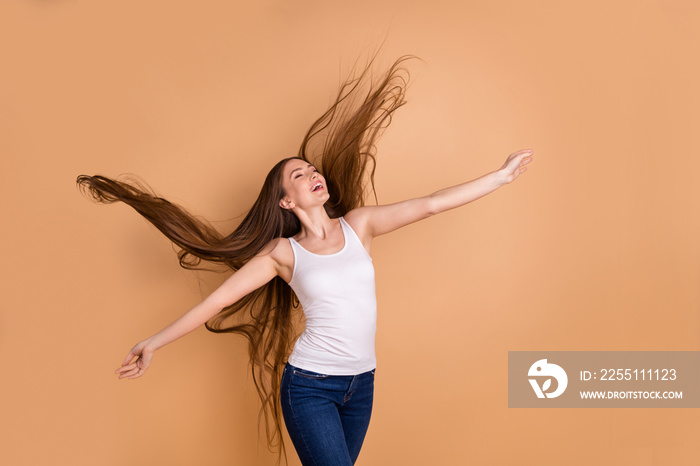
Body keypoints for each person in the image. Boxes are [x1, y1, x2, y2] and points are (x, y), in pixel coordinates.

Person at [77, 54, 533, 466]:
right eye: (299, 174)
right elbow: (215, 303)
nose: (313, 175)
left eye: (312, 169)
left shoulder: (361, 225)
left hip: (362, 386)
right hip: (310, 388)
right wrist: (153, 342)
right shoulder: (283, 254)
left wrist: (500, 177)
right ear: (285, 202)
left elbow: (432, 203)